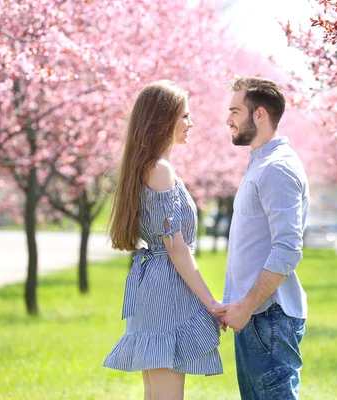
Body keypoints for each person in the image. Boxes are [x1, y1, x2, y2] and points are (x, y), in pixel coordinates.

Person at [102, 80, 223, 399]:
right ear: (162, 119)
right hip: (166, 289)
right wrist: (211, 303)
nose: (191, 123)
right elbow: (177, 248)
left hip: (153, 287)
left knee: (155, 393)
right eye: (184, 116)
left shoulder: (145, 167)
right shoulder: (160, 170)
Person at [213, 77, 309, 399]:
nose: (228, 120)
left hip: (267, 317)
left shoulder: (276, 169)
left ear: (260, 115)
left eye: (235, 111)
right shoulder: (260, 164)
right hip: (254, 316)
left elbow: (287, 250)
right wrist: (238, 304)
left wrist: (247, 307)